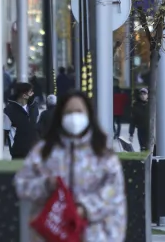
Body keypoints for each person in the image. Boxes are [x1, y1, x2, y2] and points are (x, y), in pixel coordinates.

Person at [14, 90, 127, 242]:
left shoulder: (103, 154)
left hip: (96, 235)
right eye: (69, 112)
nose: (74, 117)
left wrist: (83, 209)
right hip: (51, 234)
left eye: (79, 111)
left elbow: (114, 192)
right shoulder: (44, 151)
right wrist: (46, 184)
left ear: (88, 115)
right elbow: (21, 184)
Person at [4, 81, 39, 159]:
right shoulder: (9, 111)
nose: (33, 94)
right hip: (18, 153)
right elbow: (4, 133)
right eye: (30, 92)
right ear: (24, 95)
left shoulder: (34, 107)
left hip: (34, 152)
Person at [130, 87, 151, 151]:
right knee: (143, 147)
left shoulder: (151, 105)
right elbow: (133, 120)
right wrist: (131, 133)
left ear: (147, 95)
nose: (143, 96)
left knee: (150, 148)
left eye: (144, 94)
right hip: (141, 130)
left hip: (150, 130)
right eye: (141, 94)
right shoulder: (136, 105)